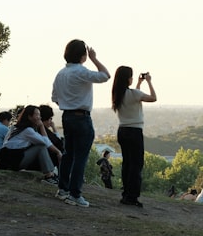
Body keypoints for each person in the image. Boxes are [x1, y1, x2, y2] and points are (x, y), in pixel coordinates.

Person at [51, 39, 110, 207]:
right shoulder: (81, 72)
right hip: (81, 117)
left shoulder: (60, 74)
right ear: (83, 56)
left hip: (66, 116)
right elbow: (105, 75)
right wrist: (94, 58)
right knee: (80, 158)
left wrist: (68, 103)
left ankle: (63, 188)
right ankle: (75, 194)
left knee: (68, 154)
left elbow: (54, 98)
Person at [111, 67, 157, 207]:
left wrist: (138, 83)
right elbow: (153, 98)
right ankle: (132, 196)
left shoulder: (117, 94)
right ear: (127, 79)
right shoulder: (134, 94)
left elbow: (134, 96)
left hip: (122, 130)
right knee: (136, 165)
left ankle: (126, 193)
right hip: (134, 131)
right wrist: (149, 82)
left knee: (127, 164)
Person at [0, 105, 62, 184]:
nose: (39, 117)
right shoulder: (27, 130)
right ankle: (49, 176)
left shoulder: (15, 127)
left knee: (39, 146)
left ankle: (51, 174)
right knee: (41, 147)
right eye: (37, 115)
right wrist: (58, 152)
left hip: (5, 159)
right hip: (10, 160)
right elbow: (46, 142)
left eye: (39, 115)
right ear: (29, 117)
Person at [38, 105, 64, 170]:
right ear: (46, 118)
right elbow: (58, 142)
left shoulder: (37, 129)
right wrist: (54, 128)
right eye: (50, 118)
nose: (51, 121)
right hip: (51, 159)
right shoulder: (44, 131)